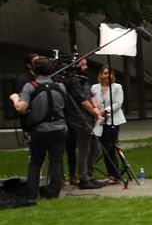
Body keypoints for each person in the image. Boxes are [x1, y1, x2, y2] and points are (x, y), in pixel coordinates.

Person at [8, 56, 68, 201]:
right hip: (60, 128)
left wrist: (15, 98)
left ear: (34, 70)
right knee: (56, 160)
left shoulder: (30, 86)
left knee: (35, 162)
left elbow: (21, 108)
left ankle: (32, 194)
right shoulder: (60, 86)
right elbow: (64, 104)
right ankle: (53, 193)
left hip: (40, 130)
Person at [63, 57, 105, 189]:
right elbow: (82, 100)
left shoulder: (84, 79)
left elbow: (91, 95)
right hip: (80, 120)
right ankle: (83, 178)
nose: (86, 67)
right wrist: (95, 112)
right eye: (83, 65)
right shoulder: (73, 82)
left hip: (91, 118)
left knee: (95, 149)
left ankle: (90, 174)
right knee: (84, 149)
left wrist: (96, 108)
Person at [92, 65, 127, 183]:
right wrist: (97, 110)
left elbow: (118, 103)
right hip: (100, 120)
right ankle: (110, 173)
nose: (107, 76)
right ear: (101, 75)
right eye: (105, 73)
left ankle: (114, 174)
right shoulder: (94, 88)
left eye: (109, 73)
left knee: (110, 146)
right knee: (103, 148)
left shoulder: (117, 87)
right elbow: (93, 101)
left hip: (113, 120)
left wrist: (106, 110)